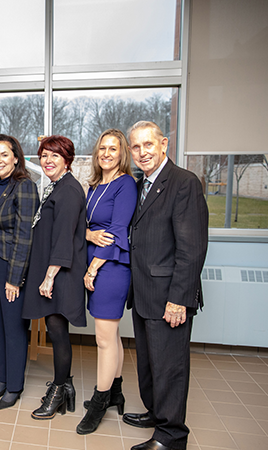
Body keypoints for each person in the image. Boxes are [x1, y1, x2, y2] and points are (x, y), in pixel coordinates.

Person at [122, 121, 208, 450]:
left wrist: (179, 300)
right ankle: (157, 414)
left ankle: (171, 437)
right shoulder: (143, 184)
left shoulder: (183, 183)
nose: (142, 152)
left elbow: (192, 248)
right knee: (148, 363)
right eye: (136, 146)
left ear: (164, 145)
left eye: (148, 145)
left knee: (169, 368)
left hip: (168, 296)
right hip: (144, 293)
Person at [76, 129, 136, 434]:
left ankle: (99, 403)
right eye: (102, 148)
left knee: (103, 338)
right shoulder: (96, 185)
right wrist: (87, 235)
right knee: (111, 336)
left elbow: (116, 230)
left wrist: (92, 269)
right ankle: (116, 393)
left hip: (110, 266)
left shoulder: (125, 184)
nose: (106, 153)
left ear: (122, 153)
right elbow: (85, 226)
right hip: (96, 263)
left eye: (113, 148)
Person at [22, 135, 86, 420]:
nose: (47, 161)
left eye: (54, 156)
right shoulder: (57, 186)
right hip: (54, 271)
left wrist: (48, 278)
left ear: (67, 160)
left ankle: (59, 391)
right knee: (55, 330)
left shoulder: (70, 190)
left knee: (58, 333)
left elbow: (63, 239)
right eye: (44, 156)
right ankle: (66, 384)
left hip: (60, 274)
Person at [0, 134, 38, 410]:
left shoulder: (24, 186)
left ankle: (15, 386)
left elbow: (24, 236)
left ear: (16, 157)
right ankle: (2, 381)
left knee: (14, 327)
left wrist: (14, 279)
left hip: (11, 263)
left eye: (4, 154)